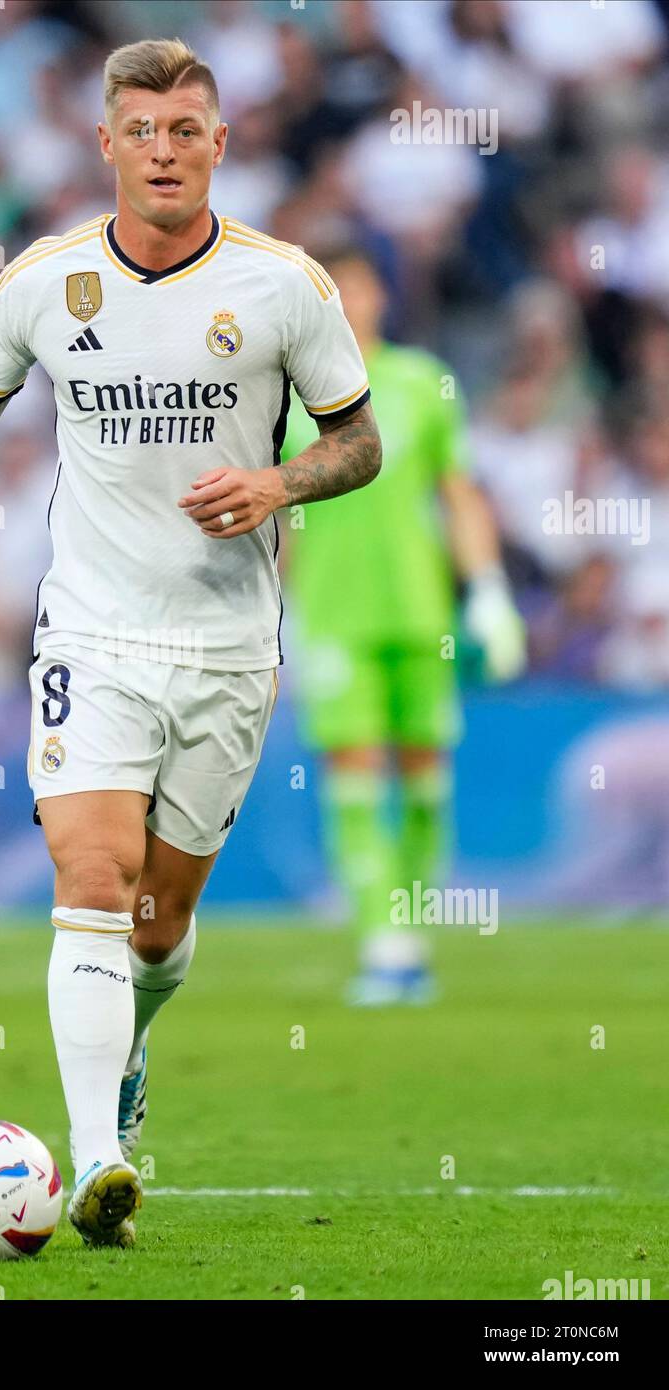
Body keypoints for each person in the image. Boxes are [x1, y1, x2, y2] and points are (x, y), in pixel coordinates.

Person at [0, 39, 381, 1248]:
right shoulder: (42, 283)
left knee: (159, 931)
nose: (163, 152)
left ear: (219, 145)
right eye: (142, 131)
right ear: (105, 144)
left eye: (186, 131)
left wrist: (278, 484)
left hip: (229, 646)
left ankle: (127, 1060)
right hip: (92, 631)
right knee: (92, 880)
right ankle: (98, 1159)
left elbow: (357, 443)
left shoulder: (286, 287)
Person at [281, 248, 525, 1007]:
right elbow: (277, 514)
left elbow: (458, 493)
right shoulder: (286, 396)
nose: (348, 301)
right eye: (331, 289)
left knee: (425, 785)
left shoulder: (422, 385)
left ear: (379, 294)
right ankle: (382, 940)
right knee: (353, 778)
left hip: (423, 617)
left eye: (356, 284)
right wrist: (273, 615)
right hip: (334, 618)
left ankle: (411, 928)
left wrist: (487, 590)